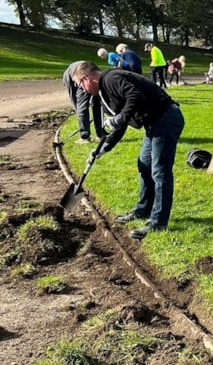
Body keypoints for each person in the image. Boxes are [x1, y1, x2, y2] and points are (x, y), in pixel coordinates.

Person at [70, 61, 185, 240]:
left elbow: (135, 96)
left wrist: (120, 118)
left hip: (166, 119)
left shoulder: (111, 79)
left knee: (160, 172)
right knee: (144, 165)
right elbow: (121, 124)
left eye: (80, 85)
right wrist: (104, 148)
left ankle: (158, 222)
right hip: (154, 124)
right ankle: (142, 210)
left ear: (87, 78)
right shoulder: (105, 90)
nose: (82, 90)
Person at [62, 60, 105, 143]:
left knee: (97, 105)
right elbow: (73, 97)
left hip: (85, 76)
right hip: (81, 76)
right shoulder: (69, 78)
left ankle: (98, 134)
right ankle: (87, 135)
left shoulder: (90, 73)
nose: (83, 89)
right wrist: (78, 111)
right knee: (82, 107)